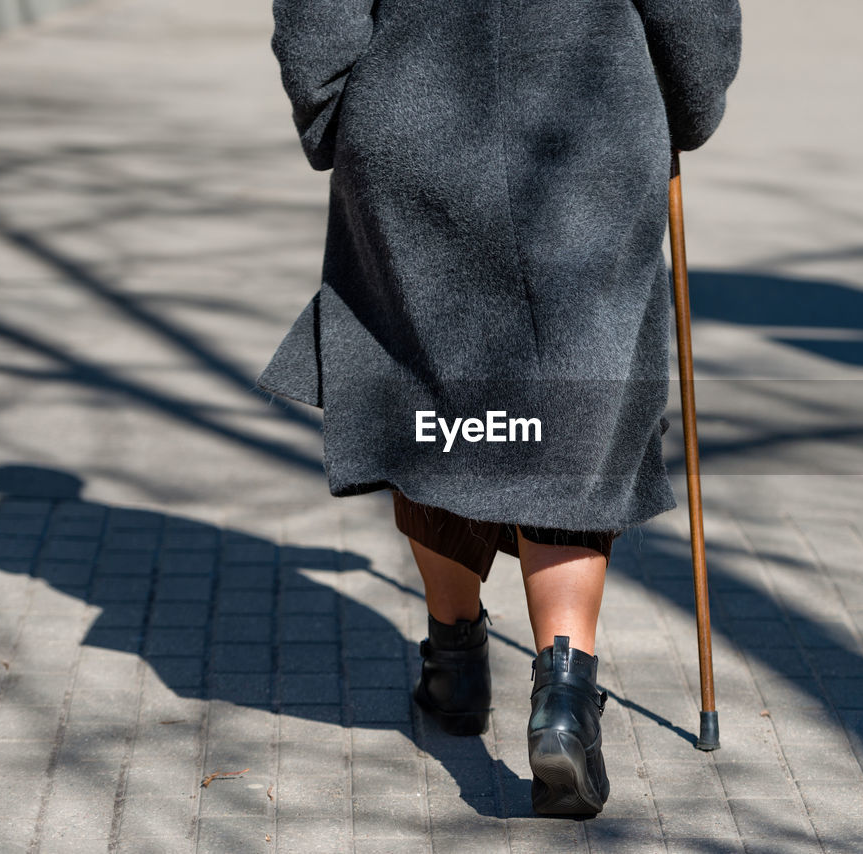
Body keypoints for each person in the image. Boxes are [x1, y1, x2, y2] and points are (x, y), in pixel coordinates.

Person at [261, 0, 741, 816]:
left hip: (412, 113)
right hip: (591, 114)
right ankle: (563, 692)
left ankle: (455, 662)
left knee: (427, 387)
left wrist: (334, 101)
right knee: (575, 409)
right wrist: (684, 104)